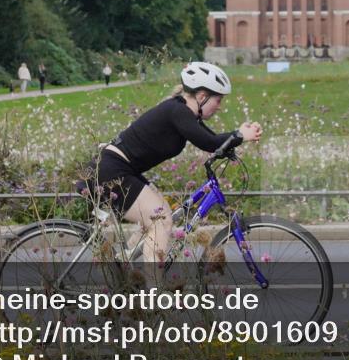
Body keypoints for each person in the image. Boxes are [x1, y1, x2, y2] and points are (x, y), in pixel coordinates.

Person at [77, 62, 262, 273]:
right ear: (202, 97)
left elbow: (212, 139)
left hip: (120, 170)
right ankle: (154, 294)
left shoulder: (183, 112)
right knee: (161, 219)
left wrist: (236, 137)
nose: (219, 106)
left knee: (160, 211)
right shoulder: (178, 111)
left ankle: (124, 269)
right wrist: (239, 135)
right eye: (218, 100)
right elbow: (209, 143)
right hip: (112, 171)